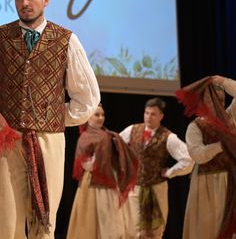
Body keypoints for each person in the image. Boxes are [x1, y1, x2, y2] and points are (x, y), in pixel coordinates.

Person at [0, 0, 100, 238]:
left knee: (44, 218)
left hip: (48, 140)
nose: (24, 3)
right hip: (7, 140)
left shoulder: (66, 40)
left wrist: (54, 117)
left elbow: (88, 98)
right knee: (6, 217)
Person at [119, 97, 194, 238]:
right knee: (133, 228)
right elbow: (117, 147)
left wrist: (170, 172)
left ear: (161, 116)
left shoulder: (168, 137)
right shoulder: (132, 130)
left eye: (153, 114)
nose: (149, 117)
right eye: (146, 113)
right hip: (135, 187)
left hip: (156, 188)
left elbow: (188, 159)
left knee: (156, 230)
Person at [67, 104, 138, 239]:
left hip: (111, 179)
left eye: (102, 115)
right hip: (94, 182)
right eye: (97, 115)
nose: (101, 118)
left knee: (113, 221)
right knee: (92, 222)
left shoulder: (110, 136)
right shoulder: (85, 137)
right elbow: (85, 164)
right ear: (88, 117)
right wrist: (100, 157)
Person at [177, 75, 236, 239]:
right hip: (207, 183)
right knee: (208, 228)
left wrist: (223, 81)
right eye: (214, 99)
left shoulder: (231, 118)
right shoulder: (196, 126)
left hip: (231, 179)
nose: (219, 103)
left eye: (222, 99)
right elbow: (197, 155)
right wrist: (219, 146)